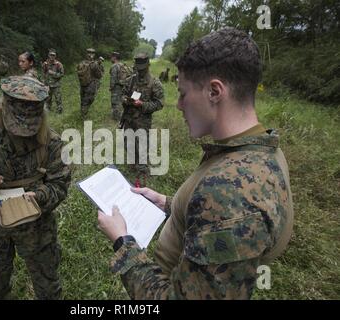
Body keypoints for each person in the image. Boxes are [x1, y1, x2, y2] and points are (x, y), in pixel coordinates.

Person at [97, 28, 294, 300]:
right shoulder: (264, 151)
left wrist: (123, 241)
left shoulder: (227, 193)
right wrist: (168, 204)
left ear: (214, 92)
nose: (178, 105)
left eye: (183, 93)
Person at [0, 76, 71, 300]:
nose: (21, 132)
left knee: (48, 288)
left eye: (30, 125)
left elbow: (60, 184)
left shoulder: (53, 143)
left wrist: (40, 196)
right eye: (15, 123)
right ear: (2, 109)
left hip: (37, 227)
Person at [119, 53, 164, 175]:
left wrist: (142, 104)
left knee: (142, 146)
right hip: (128, 119)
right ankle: (132, 165)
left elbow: (159, 103)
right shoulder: (130, 80)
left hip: (143, 121)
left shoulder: (155, 83)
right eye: (138, 68)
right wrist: (125, 100)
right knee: (128, 143)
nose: (140, 71)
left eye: (142, 69)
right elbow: (122, 94)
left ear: (148, 65)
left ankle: (142, 170)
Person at [76, 48, 104, 118]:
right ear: (93, 55)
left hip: (82, 84)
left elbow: (78, 72)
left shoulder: (81, 63)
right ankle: (83, 115)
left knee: (83, 99)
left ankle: (82, 112)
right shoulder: (94, 64)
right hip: (91, 85)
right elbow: (99, 75)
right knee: (88, 100)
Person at [109, 52, 126, 120]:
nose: (110, 58)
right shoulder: (122, 65)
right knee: (121, 101)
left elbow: (113, 78)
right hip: (123, 85)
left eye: (111, 57)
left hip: (116, 87)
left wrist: (111, 87)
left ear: (114, 58)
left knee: (115, 102)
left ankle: (117, 117)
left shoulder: (114, 66)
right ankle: (122, 114)